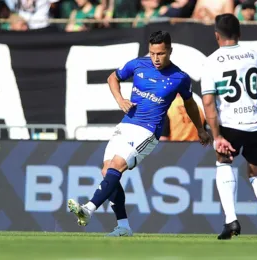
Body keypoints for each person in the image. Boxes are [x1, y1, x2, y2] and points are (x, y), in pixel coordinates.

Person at [68, 30, 212, 236]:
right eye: (153, 53)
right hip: (127, 124)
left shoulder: (180, 77)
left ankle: (88, 209)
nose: (156, 58)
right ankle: (124, 226)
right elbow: (112, 78)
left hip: (148, 131)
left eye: (161, 54)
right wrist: (120, 100)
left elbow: (190, 105)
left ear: (170, 51)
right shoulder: (137, 65)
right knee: (107, 171)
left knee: (117, 165)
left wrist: (200, 129)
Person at [201, 13, 257, 241]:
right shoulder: (254, 56)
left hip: (230, 125)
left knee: (224, 162)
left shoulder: (211, 62)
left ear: (216, 36)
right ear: (239, 34)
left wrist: (217, 136)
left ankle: (231, 220)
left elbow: (208, 102)